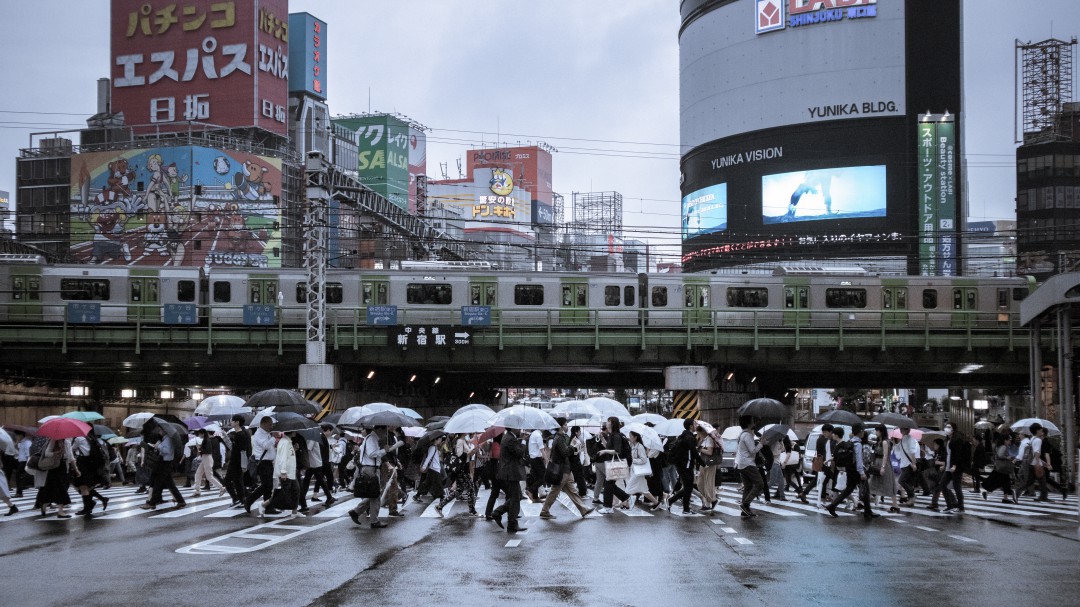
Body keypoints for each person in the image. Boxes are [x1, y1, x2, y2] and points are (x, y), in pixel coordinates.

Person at [540, 418, 595, 519]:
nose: (567, 426)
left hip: (566, 469)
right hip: (562, 469)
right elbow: (565, 453)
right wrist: (572, 445)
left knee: (572, 490)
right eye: (565, 425)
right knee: (555, 490)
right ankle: (544, 510)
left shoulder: (560, 437)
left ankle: (583, 509)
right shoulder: (559, 438)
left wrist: (571, 445)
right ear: (560, 426)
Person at [826, 424, 876, 519]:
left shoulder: (849, 442)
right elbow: (858, 459)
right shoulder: (858, 444)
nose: (863, 433)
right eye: (862, 431)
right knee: (865, 489)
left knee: (848, 490)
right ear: (860, 432)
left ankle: (832, 506)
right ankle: (868, 511)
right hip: (856, 471)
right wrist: (861, 472)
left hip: (849, 470)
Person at [491, 427, 527, 533]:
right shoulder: (510, 439)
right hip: (511, 472)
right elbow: (519, 453)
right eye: (518, 428)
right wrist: (524, 441)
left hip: (510, 472)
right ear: (513, 428)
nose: (520, 429)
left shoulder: (509, 437)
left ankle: (498, 512)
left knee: (517, 496)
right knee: (516, 498)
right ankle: (511, 524)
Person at [243, 416, 280, 516]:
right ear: (263, 424)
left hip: (268, 462)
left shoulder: (267, 433)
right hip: (262, 463)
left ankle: (268, 507)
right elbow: (266, 446)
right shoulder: (259, 434)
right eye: (269, 424)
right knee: (266, 485)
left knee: (268, 486)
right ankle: (249, 500)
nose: (271, 426)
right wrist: (274, 437)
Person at [141, 431, 186, 511]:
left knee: (157, 483)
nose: (160, 431)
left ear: (165, 431)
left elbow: (167, 451)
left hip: (165, 463)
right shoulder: (166, 439)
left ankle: (152, 503)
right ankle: (181, 501)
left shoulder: (167, 439)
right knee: (170, 485)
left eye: (161, 430)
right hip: (166, 463)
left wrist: (158, 445)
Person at [436, 433, 479, 516]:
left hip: (464, 468)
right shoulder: (460, 441)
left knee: (459, 491)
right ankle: (472, 510)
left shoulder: (463, 440)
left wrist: (472, 452)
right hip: (461, 469)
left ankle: (440, 506)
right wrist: (471, 452)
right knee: (471, 489)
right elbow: (459, 454)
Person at [596, 417, 632, 514]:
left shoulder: (616, 436)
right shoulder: (612, 435)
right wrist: (603, 439)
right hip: (612, 463)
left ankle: (608, 507)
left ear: (612, 424)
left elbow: (617, 451)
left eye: (608, 421)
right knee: (609, 484)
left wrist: (604, 451)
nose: (606, 423)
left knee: (608, 484)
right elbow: (609, 446)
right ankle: (626, 497)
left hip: (615, 464)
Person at [72, 430, 109, 516]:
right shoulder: (91, 438)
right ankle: (101, 499)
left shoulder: (79, 438)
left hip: (83, 464)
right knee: (86, 487)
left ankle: (87, 508)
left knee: (83, 486)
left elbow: (72, 449)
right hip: (91, 464)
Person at [666, 418, 699, 514]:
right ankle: (671, 500)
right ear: (690, 426)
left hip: (681, 465)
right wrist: (702, 463)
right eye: (694, 424)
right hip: (687, 465)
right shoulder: (690, 437)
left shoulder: (683, 436)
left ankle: (686, 509)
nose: (696, 426)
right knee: (688, 488)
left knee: (687, 487)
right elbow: (694, 452)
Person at [735, 416, 765, 517]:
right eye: (753, 421)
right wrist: (761, 444)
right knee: (759, 484)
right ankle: (745, 504)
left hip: (741, 463)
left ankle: (745, 510)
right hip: (748, 463)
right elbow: (753, 451)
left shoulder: (741, 434)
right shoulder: (747, 435)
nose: (754, 423)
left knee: (748, 486)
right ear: (748, 424)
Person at [798, 424, 834, 506]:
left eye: (825, 432)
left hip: (822, 462)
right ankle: (827, 497)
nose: (824, 433)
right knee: (826, 480)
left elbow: (819, 452)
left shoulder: (820, 439)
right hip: (827, 463)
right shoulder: (827, 440)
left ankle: (806, 493)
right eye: (824, 432)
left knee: (820, 480)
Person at [623, 430, 660, 510]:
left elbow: (644, 460)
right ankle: (656, 503)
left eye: (631, 436)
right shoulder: (633, 445)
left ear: (635, 437)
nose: (629, 438)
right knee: (644, 490)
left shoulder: (640, 447)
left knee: (629, 487)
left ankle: (625, 503)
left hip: (638, 472)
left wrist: (633, 460)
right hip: (635, 470)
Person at [304, 424, 336, 507]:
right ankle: (302, 500)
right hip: (315, 462)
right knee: (310, 481)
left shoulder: (312, 436)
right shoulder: (316, 435)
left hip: (314, 463)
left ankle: (302, 501)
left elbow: (308, 448)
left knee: (314, 481)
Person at [981, 432, 1015, 503]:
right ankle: (1005, 498)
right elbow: (1000, 455)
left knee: (1003, 482)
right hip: (1003, 468)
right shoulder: (1003, 446)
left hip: (1000, 468)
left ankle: (1004, 497)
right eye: (1009, 440)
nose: (1010, 441)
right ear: (1005, 440)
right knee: (1002, 482)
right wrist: (1008, 457)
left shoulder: (999, 446)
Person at [225, 414, 251, 507]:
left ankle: (238, 499)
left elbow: (243, 451)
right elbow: (234, 448)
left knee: (228, 481)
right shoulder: (239, 433)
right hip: (235, 461)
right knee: (237, 481)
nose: (230, 422)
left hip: (237, 462)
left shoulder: (241, 434)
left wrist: (244, 465)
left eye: (232, 421)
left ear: (237, 422)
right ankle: (242, 499)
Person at [192, 429, 226, 498]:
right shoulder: (206, 440)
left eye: (199, 434)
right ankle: (197, 490)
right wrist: (200, 448)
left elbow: (207, 451)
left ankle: (222, 488)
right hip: (205, 459)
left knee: (209, 476)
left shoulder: (207, 440)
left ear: (203, 433)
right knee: (198, 474)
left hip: (207, 458)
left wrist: (199, 449)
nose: (198, 435)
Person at [695, 424, 718, 510]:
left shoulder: (709, 439)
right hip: (703, 463)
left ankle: (709, 503)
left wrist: (699, 449)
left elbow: (709, 452)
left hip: (710, 463)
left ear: (703, 432)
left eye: (698, 433)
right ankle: (712, 500)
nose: (698, 434)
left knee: (708, 484)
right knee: (700, 483)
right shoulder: (703, 439)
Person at [1028, 423, 1051, 502]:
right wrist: (1039, 463)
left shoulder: (1032, 439)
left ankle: (1042, 497)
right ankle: (1043, 497)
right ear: (1037, 431)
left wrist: (1043, 463)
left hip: (1031, 462)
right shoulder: (1038, 440)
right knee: (1042, 481)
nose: (1042, 431)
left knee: (1034, 481)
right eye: (1041, 430)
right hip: (1036, 463)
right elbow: (1037, 452)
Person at [525, 427, 548, 502]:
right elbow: (542, 450)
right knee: (544, 477)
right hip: (537, 459)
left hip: (532, 459)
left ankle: (535, 497)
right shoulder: (538, 435)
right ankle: (530, 490)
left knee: (536, 478)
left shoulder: (533, 434)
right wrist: (547, 460)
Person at [13, 430, 31, 498]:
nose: (16, 437)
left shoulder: (27, 442)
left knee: (18, 475)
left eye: (17, 435)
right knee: (18, 475)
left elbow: (28, 454)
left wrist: (27, 463)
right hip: (20, 461)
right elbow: (19, 451)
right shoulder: (21, 442)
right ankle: (20, 490)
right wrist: (16, 444)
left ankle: (19, 492)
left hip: (24, 461)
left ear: (20, 435)